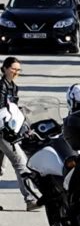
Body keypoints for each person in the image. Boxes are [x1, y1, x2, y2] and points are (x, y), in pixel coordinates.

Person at [0, 57, 40, 210]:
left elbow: (13, 110)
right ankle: (30, 200)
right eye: (13, 69)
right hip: (3, 132)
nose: (16, 72)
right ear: (4, 69)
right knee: (21, 163)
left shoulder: (14, 88)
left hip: (8, 130)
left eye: (18, 70)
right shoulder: (1, 86)